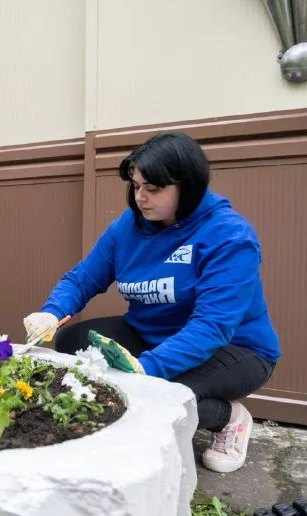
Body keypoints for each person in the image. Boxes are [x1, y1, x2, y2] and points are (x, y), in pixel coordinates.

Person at [23, 132, 280, 474]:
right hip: (152, 335)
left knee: (154, 398)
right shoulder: (128, 228)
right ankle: (152, 386)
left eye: (153, 189)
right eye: (136, 185)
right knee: (72, 341)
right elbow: (84, 278)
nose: (140, 197)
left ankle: (229, 418)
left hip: (235, 349)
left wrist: (148, 369)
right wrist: (51, 313)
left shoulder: (229, 236)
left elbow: (212, 326)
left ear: (187, 187)